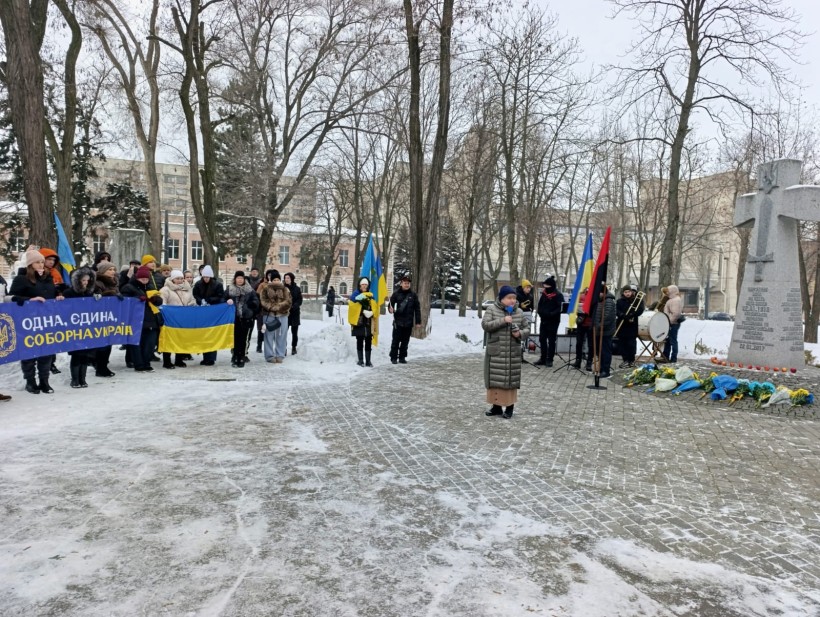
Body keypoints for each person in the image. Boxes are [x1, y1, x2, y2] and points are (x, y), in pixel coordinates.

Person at [10, 249, 65, 393]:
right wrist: (30, 300)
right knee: (29, 353)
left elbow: (51, 293)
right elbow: (11, 298)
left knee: (46, 352)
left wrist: (58, 295)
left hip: (46, 320)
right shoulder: (21, 279)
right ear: (30, 264)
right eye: (37, 262)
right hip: (28, 322)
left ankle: (44, 381)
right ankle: (30, 382)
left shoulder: (47, 278)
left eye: (42, 262)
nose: (41, 265)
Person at [482, 285, 531, 419]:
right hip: (496, 353)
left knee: (510, 381)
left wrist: (519, 334)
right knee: (495, 380)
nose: (512, 300)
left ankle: (509, 408)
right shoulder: (492, 309)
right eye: (509, 298)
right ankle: (496, 407)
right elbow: (485, 325)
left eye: (514, 298)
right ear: (502, 298)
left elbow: (527, 329)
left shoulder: (519, 312)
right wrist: (502, 320)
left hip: (512, 354)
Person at [121, 266, 164, 372]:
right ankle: (139, 365)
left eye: (146, 278)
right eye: (142, 278)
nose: (144, 280)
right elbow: (124, 302)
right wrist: (137, 299)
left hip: (151, 319)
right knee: (137, 344)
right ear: (137, 277)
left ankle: (147, 363)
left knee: (150, 344)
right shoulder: (128, 287)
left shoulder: (151, 287)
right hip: (135, 320)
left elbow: (159, 301)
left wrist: (155, 299)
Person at [62, 267, 97, 388]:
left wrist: (98, 298)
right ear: (77, 281)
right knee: (77, 354)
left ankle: (83, 379)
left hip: (87, 328)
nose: (86, 283)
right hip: (74, 328)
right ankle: (75, 379)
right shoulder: (68, 293)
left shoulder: (90, 293)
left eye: (88, 280)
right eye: (83, 280)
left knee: (85, 354)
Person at [159, 270, 196, 369]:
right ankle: (167, 361)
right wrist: (168, 311)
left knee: (181, 339)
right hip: (170, 319)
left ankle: (179, 360)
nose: (180, 280)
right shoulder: (165, 290)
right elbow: (162, 303)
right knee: (168, 339)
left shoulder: (187, 289)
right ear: (172, 279)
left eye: (181, 278)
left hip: (183, 318)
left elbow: (192, 300)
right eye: (177, 278)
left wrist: (191, 304)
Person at [192, 265, 227, 365]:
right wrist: (200, 301)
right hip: (202, 311)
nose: (206, 279)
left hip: (213, 311)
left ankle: (211, 358)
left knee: (212, 334)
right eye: (204, 277)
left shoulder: (217, 284)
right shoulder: (198, 284)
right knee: (204, 334)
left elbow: (221, 296)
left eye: (207, 277)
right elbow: (195, 295)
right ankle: (205, 357)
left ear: (211, 277)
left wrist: (209, 300)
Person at [225, 271, 259, 368]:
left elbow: (256, 301)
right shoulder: (229, 289)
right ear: (235, 279)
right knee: (235, 338)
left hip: (246, 318)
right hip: (233, 318)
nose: (240, 280)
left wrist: (250, 307)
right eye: (238, 278)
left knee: (243, 339)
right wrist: (227, 301)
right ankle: (235, 356)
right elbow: (222, 299)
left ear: (244, 279)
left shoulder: (250, 290)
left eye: (241, 278)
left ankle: (242, 357)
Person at [93, 260, 120, 377]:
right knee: (102, 344)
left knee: (109, 343)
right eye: (110, 269)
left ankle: (104, 365)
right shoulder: (97, 282)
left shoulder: (114, 282)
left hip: (111, 315)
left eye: (114, 269)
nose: (113, 272)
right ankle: (100, 368)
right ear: (103, 271)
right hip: (100, 316)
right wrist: (109, 294)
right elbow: (95, 298)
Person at [258, 269, 292, 363]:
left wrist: (279, 307)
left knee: (282, 335)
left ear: (280, 280)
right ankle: (269, 356)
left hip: (282, 315)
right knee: (269, 336)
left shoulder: (285, 289)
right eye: (274, 280)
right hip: (269, 315)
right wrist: (272, 307)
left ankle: (280, 355)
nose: (276, 281)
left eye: (278, 279)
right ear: (271, 280)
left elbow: (288, 301)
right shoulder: (265, 289)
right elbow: (263, 301)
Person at [388, 274, 421, 364]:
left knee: (405, 341)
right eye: (405, 283)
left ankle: (402, 357)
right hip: (398, 322)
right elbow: (390, 305)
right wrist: (390, 310)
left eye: (408, 283)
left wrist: (418, 321)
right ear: (401, 284)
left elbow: (417, 309)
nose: (407, 285)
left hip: (408, 322)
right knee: (395, 341)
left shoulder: (413, 295)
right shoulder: (396, 294)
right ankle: (393, 357)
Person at [534, 276, 563, 367]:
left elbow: (560, 308)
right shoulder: (544, 294)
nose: (545, 288)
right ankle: (543, 358)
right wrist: (540, 313)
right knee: (542, 339)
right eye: (544, 286)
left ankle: (550, 359)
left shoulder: (558, 295)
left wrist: (551, 314)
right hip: (544, 320)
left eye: (547, 286)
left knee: (551, 340)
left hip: (553, 321)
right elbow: (540, 305)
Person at [349, 277, 377, 367]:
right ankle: (360, 360)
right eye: (363, 284)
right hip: (359, 322)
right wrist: (362, 310)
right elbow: (352, 306)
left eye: (366, 284)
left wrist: (372, 312)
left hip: (368, 322)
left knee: (368, 341)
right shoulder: (355, 295)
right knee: (359, 341)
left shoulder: (371, 295)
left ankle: (368, 361)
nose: (364, 286)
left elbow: (375, 306)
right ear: (360, 285)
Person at [616, 285, 644, 369]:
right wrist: (622, 315)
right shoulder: (619, 301)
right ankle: (625, 360)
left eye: (629, 292)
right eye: (625, 292)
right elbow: (616, 310)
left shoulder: (636, 300)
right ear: (623, 293)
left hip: (632, 325)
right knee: (622, 344)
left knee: (631, 344)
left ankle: (632, 360)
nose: (627, 293)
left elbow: (640, 309)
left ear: (631, 292)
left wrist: (632, 314)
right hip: (622, 325)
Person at [591, 286, 617, 378]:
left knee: (605, 351)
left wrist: (599, 325)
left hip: (606, 331)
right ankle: (601, 368)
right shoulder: (600, 301)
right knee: (600, 351)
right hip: (599, 330)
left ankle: (606, 370)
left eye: (599, 293)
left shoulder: (608, 301)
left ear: (603, 292)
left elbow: (607, 317)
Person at [572, 288, 594, 372]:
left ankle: (588, 362)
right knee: (579, 343)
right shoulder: (581, 296)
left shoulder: (594, 297)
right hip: (582, 323)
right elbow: (576, 308)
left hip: (590, 323)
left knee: (590, 344)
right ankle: (579, 361)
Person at [663, 284, 683, 363]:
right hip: (670, 322)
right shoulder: (673, 299)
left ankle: (673, 358)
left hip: (673, 323)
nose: (667, 293)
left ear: (672, 291)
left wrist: (670, 322)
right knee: (668, 340)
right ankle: (666, 356)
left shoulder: (676, 300)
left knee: (672, 340)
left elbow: (676, 313)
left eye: (668, 291)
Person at [283, 272, 302, 355]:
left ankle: (294, 347)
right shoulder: (282, 288)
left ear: (292, 279)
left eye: (288, 278)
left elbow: (299, 300)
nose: (286, 279)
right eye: (285, 278)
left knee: (294, 332)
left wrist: (294, 306)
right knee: (284, 332)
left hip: (295, 313)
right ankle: (283, 348)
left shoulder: (297, 289)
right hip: (285, 313)